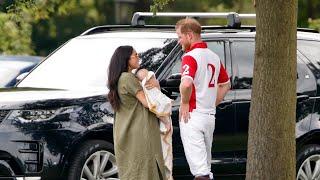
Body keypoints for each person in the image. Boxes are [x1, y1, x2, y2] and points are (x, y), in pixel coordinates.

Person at [175, 18, 231, 180]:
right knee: (205, 167)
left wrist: (185, 102)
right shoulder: (214, 56)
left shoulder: (190, 56)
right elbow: (226, 85)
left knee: (200, 172)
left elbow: (186, 84)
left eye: (180, 37)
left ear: (190, 35)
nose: (179, 41)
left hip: (193, 116)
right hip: (209, 116)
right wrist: (211, 102)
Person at [107, 46, 166, 180]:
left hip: (125, 132)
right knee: (146, 172)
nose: (138, 57)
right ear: (126, 59)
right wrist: (156, 86)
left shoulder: (119, 79)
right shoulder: (128, 78)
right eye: (135, 55)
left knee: (133, 173)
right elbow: (150, 103)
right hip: (140, 134)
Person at [134, 68, 174, 180]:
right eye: (147, 79)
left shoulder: (158, 93)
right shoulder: (149, 94)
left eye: (152, 77)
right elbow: (157, 108)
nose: (152, 81)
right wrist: (165, 121)